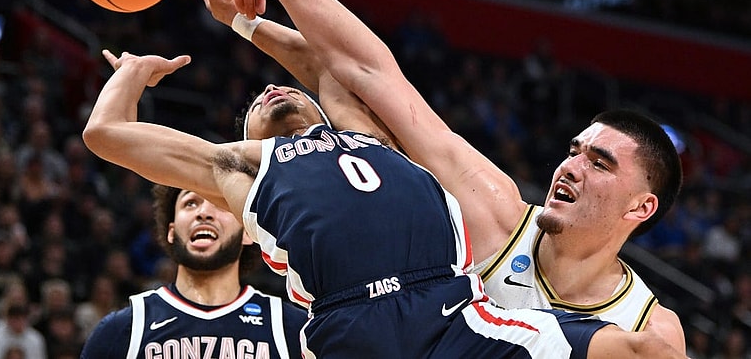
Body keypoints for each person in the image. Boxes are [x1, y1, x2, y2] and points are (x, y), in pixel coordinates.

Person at [199, 0, 687, 353]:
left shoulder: (648, 329)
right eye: (575, 150)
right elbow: (369, 79)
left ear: (641, 207)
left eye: (599, 163)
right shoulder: (493, 212)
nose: (571, 166)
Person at [82, 53, 685, 355]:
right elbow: (105, 134)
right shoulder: (243, 167)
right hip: (353, 326)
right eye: (257, 103)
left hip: (449, 304)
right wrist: (133, 72)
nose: (270, 90)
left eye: (285, 89)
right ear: (248, 133)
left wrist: (251, 25)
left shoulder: (370, 138)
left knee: (643, 350)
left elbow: (339, 62)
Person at [80, 183, 307, 358]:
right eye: (190, 203)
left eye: (221, 204)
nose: (204, 213)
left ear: (248, 232)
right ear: (171, 231)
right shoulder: (121, 330)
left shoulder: (291, 328)